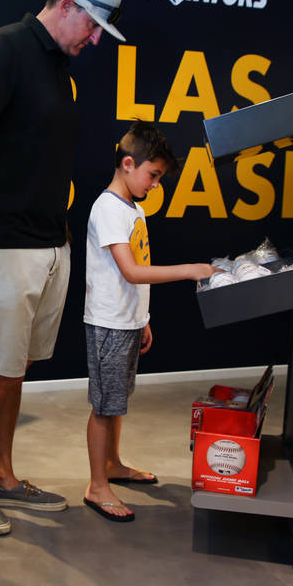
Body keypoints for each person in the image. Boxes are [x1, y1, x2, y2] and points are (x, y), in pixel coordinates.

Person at [0, 0, 126, 535]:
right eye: (94, 25)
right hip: (7, 246)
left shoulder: (59, 67)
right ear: (67, 4)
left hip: (52, 242)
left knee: (19, 367)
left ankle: (2, 471)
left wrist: (62, 235)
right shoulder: (5, 47)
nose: (95, 39)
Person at [82, 121, 215, 522]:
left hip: (127, 321)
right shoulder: (107, 208)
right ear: (127, 163)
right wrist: (190, 269)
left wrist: (144, 318)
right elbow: (132, 271)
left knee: (117, 402)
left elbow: (136, 269)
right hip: (107, 324)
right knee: (104, 407)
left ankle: (113, 465)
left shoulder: (134, 208)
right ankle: (96, 486)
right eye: (152, 175)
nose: (155, 184)